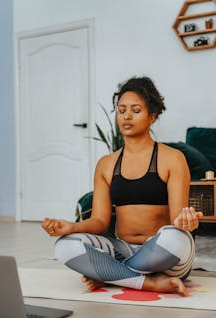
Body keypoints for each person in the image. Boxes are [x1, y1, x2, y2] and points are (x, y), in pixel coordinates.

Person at [42, 76, 203, 296]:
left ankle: (112, 275)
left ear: (152, 116)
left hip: (164, 256)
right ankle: (149, 282)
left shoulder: (173, 159)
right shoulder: (106, 165)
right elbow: (100, 221)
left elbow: (177, 220)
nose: (126, 116)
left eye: (135, 110)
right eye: (121, 110)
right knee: (65, 246)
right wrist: (71, 227)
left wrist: (186, 221)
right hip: (123, 250)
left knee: (176, 239)